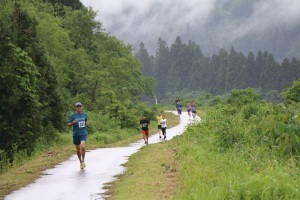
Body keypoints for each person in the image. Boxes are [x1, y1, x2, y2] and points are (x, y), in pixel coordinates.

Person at [68, 102, 89, 169]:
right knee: (78, 150)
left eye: (80, 106)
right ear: (76, 108)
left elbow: (86, 122)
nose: (79, 108)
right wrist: (72, 123)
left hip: (83, 133)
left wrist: (87, 123)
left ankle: (83, 160)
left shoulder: (84, 114)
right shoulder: (72, 115)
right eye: (77, 107)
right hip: (76, 134)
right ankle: (80, 162)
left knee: (82, 146)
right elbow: (68, 125)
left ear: (82, 107)